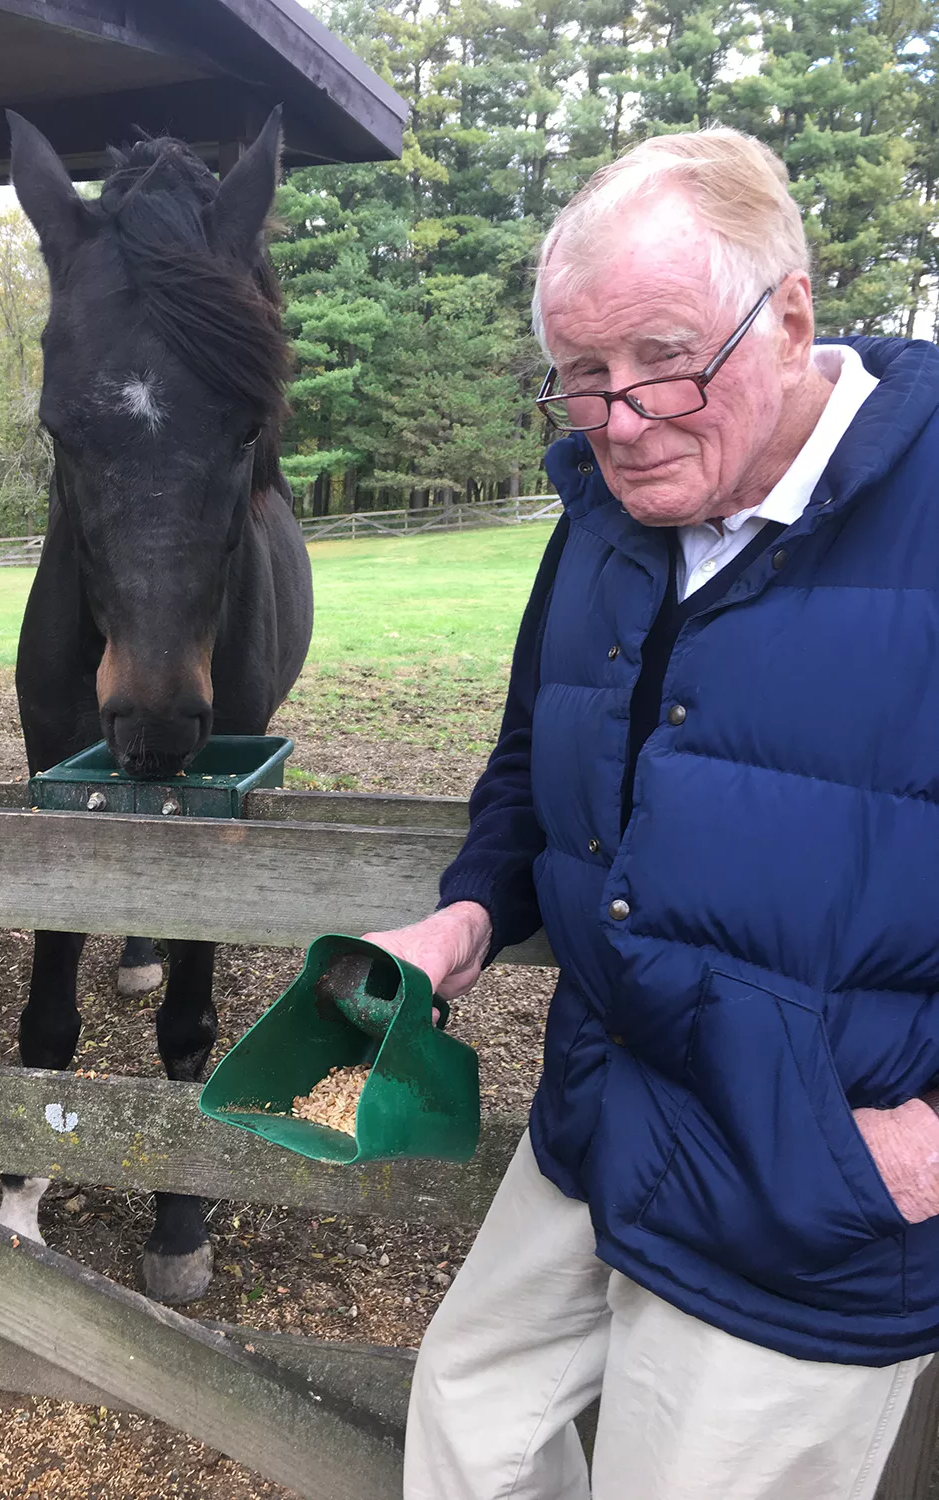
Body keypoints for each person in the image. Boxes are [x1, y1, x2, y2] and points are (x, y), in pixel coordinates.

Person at [366, 128, 939, 1500]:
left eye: (664, 357)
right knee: (467, 1424)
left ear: (790, 314)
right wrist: (463, 917)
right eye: (580, 375)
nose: (620, 414)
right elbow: (531, 761)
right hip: (604, 1105)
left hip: (815, 1183)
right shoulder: (607, 514)